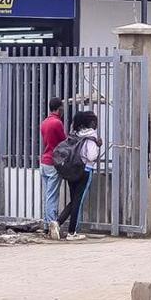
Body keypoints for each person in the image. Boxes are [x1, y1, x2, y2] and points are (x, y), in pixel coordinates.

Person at [51, 110, 100, 240]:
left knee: (74, 200)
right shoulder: (91, 135)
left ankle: (58, 222)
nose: (95, 124)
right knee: (78, 201)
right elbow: (91, 156)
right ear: (90, 123)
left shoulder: (75, 134)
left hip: (72, 170)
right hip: (85, 171)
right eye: (94, 121)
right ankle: (72, 232)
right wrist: (97, 146)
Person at [40, 97, 67, 229]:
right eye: (62, 108)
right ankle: (52, 225)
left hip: (44, 161)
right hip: (53, 162)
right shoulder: (57, 123)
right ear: (59, 108)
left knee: (47, 195)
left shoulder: (44, 122)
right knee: (52, 196)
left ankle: (46, 224)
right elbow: (64, 142)